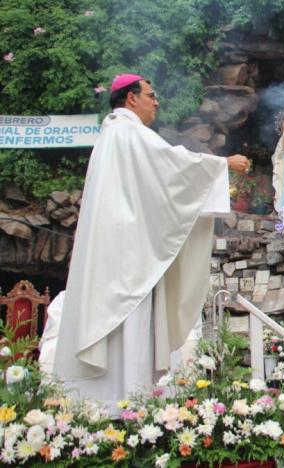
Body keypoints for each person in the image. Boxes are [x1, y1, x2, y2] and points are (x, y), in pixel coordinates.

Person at [53, 73, 250, 409]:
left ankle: (112, 403)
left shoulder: (112, 135)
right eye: (150, 94)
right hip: (130, 258)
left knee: (122, 326)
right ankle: (131, 405)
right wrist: (223, 165)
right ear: (131, 98)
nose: (156, 101)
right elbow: (174, 167)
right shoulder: (128, 133)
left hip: (121, 250)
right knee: (129, 321)